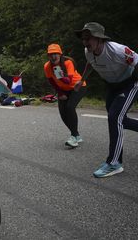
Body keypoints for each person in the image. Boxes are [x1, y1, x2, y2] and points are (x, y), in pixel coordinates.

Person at [74, 22, 138, 178]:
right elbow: (90, 64)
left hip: (130, 83)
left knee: (115, 117)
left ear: (100, 39)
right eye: (83, 38)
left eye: (88, 38)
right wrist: (81, 80)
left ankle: (114, 163)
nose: (85, 42)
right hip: (112, 86)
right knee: (117, 119)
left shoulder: (118, 50)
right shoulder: (88, 51)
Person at [43, 44, 87, 148]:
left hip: (77, 86)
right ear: (48, 56)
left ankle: (73, 137)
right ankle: (76, 135)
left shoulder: (68, 63)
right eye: (50, 54)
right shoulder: (47, 66)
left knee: (70, 107)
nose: (53, 56)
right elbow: (52, 82)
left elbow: (68, 81)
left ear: (60, 54)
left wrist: (58, 73)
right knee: (63, 113)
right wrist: (60, 93)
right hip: (63, 90)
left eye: (55, 54)